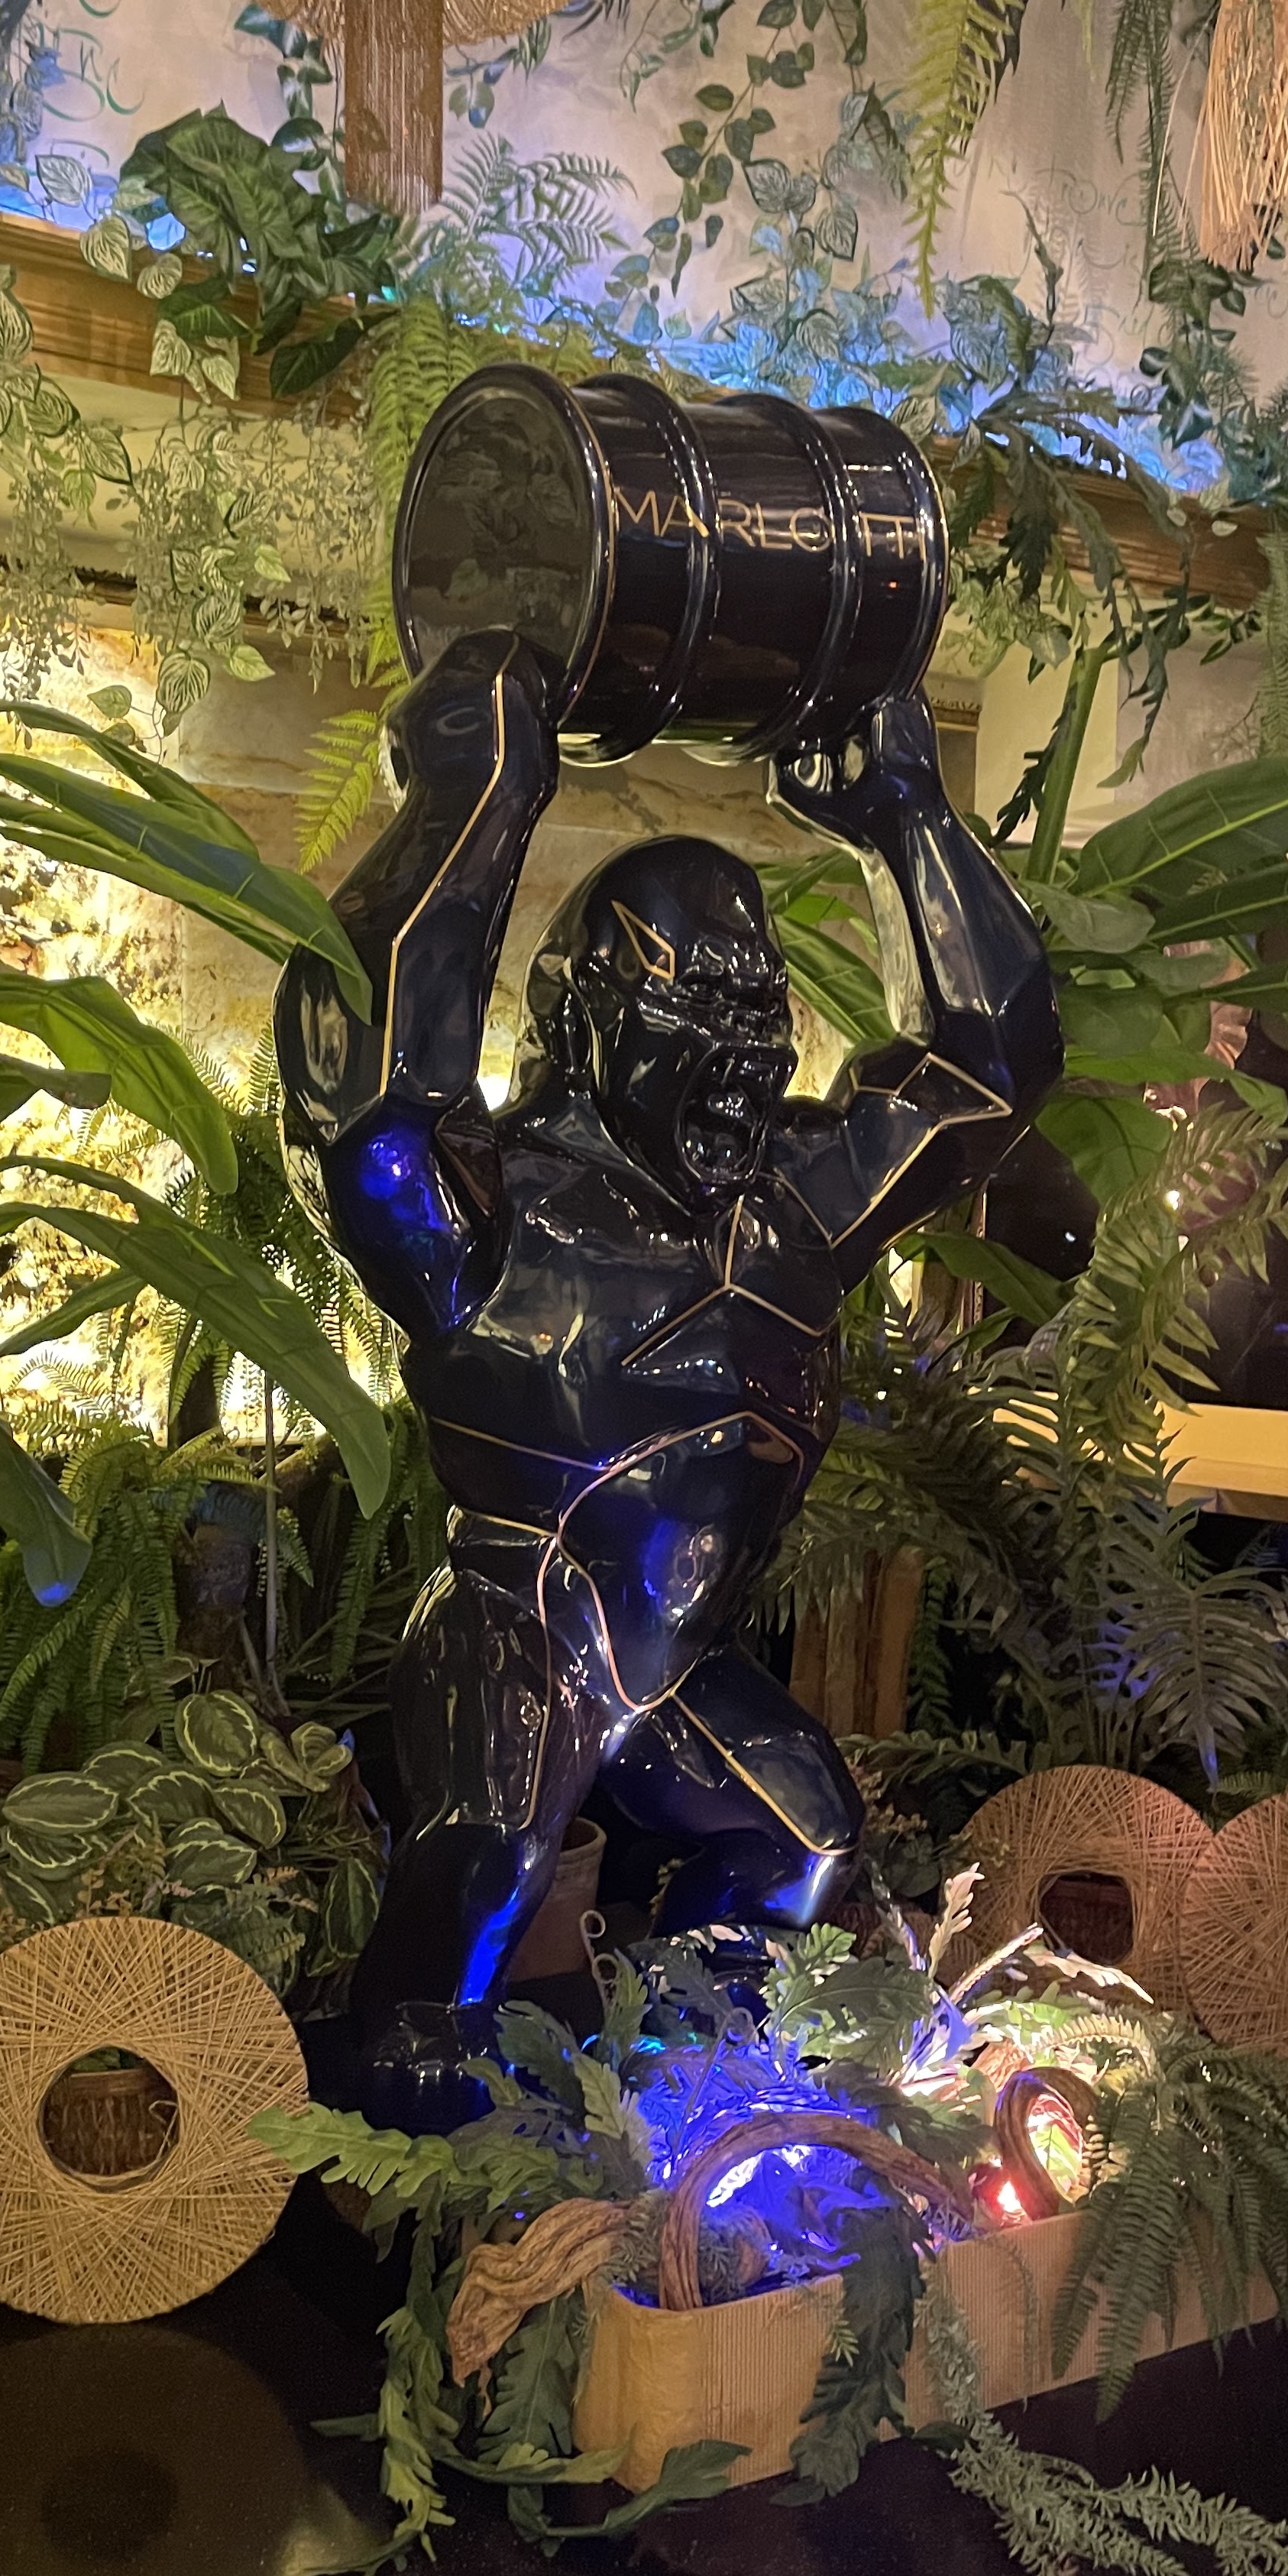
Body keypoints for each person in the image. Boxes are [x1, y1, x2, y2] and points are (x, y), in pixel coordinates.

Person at [275, 629, 1060, 2095]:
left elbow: (992, 1071)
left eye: (764, 1013)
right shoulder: (500, 1210)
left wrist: (907, 811)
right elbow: (363, 1104)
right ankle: (396, 2138)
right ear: (582, 1021)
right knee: (487, 1859)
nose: (750, 1054)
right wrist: (475, 794)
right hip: (516, 1621)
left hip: (674, 1657)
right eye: (698, 1007)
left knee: (803, 1838)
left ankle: (680, 2110)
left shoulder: (792, 1205)